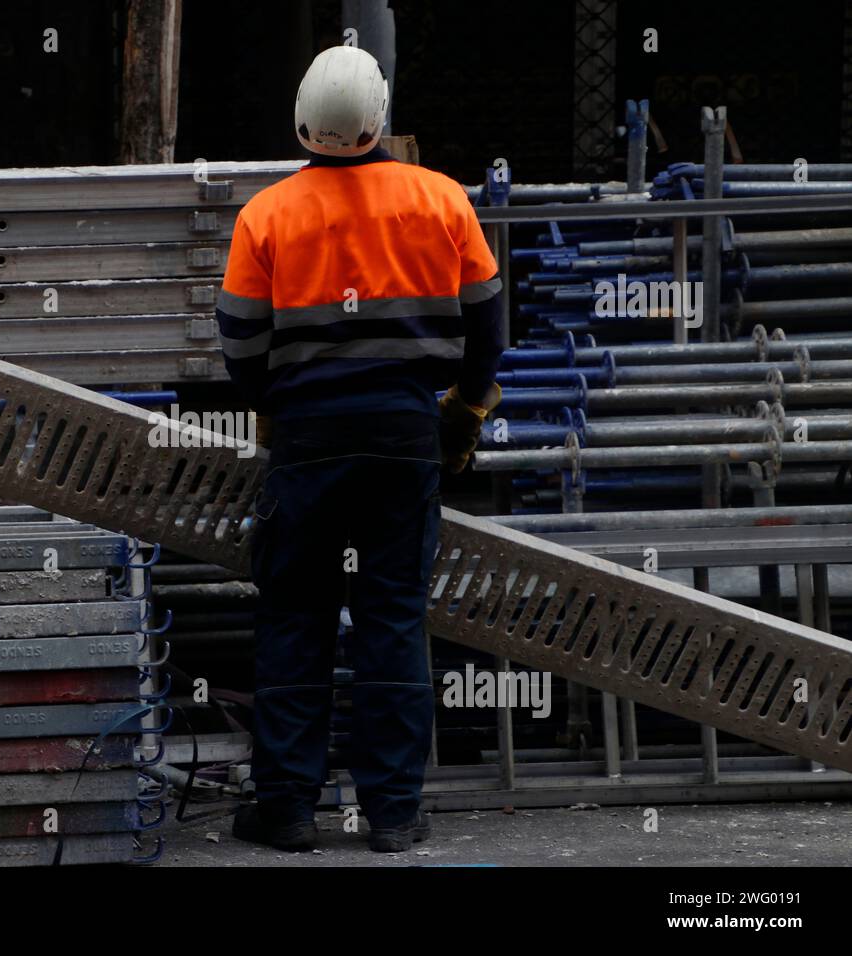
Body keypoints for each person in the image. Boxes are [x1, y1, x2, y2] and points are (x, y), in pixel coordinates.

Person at [217, 44, 505, 853]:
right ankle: (391, 814)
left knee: (294, 622)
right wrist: (466, 408)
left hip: (307, 443)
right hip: (404, 437)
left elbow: (241, 348)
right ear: (379, 119)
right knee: (391, 622)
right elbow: (488, 326)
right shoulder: (441, 199)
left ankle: (287, 812)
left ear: (303, 120)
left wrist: (277, 405)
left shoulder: (265, 215)